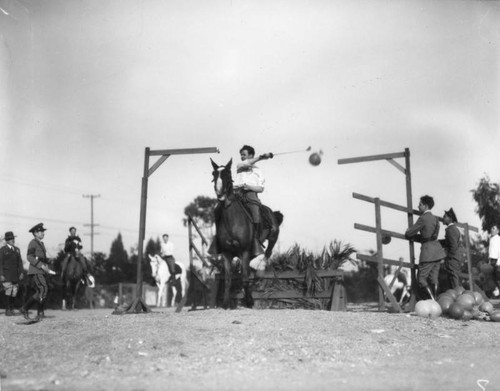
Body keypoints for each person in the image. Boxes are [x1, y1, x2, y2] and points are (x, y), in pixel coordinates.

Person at [233, 145, 273, 251]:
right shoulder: (240, 166)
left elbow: (260, 189)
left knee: (255, 212)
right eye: (241, 155)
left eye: (244, 155)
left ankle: (255, 239)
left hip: (251, 195)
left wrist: (249, 187)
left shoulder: (258, 171)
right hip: (237, 193)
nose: (241, 157)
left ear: (251, 155)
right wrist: (262, 157)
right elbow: (247, 162)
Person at [405, 195, 446, 300]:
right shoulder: (436, 219)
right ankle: (436, 300)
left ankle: (433, 301)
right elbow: (432, 236)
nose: (418, 206)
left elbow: (410, 233)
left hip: (427, 253)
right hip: (437, 252)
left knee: (421, 280)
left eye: (420, 204)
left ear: (426, 206)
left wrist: (408, 231)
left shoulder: (423, 218)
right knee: (434, 279)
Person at [20, 223, 54, 321]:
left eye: (43, 231)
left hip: (41, 270)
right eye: (41, 231)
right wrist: (42, 266)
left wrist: (47, 263)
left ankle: (24, 308)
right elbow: (29, 257)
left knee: (40, 291)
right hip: (36, 270)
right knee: (43, 288)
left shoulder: (41, 243)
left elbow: (41, 258)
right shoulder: (32, 242)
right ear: (35, 233)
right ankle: (39, 312)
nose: (43, 233)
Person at [439, 208, 465, 290]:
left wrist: (448, 257)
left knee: (454, 279)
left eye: (445, 216)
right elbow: (449, 242)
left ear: (450, 218)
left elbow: (453, 246)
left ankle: (457, 296)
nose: (443, 218)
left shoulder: (450, 230)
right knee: (454, 278)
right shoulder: (453, 229)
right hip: (455, 258)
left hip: (452, 259)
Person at [0, 231, 25, 316]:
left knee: (14, 291)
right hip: (6, 274)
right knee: (8, 290)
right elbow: (0, 263)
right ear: (6, 240)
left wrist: (21, 272)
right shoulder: (3, 250)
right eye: (10, 239)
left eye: (13, 238)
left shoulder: (17, 250)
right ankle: (7, 309)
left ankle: (12, 308)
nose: (12, 240)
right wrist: (1, 274)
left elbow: (20, 262)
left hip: (15, 274)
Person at [488, 224, 500, 291]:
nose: (492, 229)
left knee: (498, 277)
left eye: (493, 228)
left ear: (497, 231)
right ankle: (495, 293)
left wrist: (498, 261)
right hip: (492, 260)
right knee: (492, 278)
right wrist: (489, 260)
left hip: (497, 260)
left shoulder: (498, 239)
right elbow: (490, 250)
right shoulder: (491, 239)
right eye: (491, 228)